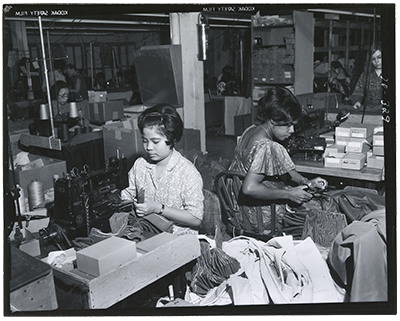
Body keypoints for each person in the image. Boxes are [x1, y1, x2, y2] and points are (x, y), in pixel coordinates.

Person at [228, 87, 328, 235]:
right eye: (288, 125)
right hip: (256, 215)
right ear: (273, 121)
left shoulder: (252, 130)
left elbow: (287, 170)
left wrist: (307, 182)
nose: (292, 130)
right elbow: (249, 188)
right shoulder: (266, 146)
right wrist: (289, 194)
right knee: (321, 209)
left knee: (305, 196)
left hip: (238, 208)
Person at [121, 103, 204, 235]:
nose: (148, 147)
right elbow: (127, 195)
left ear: (172, 139)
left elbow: (196, 218)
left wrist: (158, 208)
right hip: (145, 231)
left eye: (155, 141)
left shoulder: (187, 172)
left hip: (178, 237)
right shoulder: (140, 165)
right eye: (144, 140)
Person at [350, 42, 382, 113]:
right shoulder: (365, 75)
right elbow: (358, 93)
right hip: (369, 111)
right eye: (373, 59)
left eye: (379, 57)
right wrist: (357, 101)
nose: (376, 61)